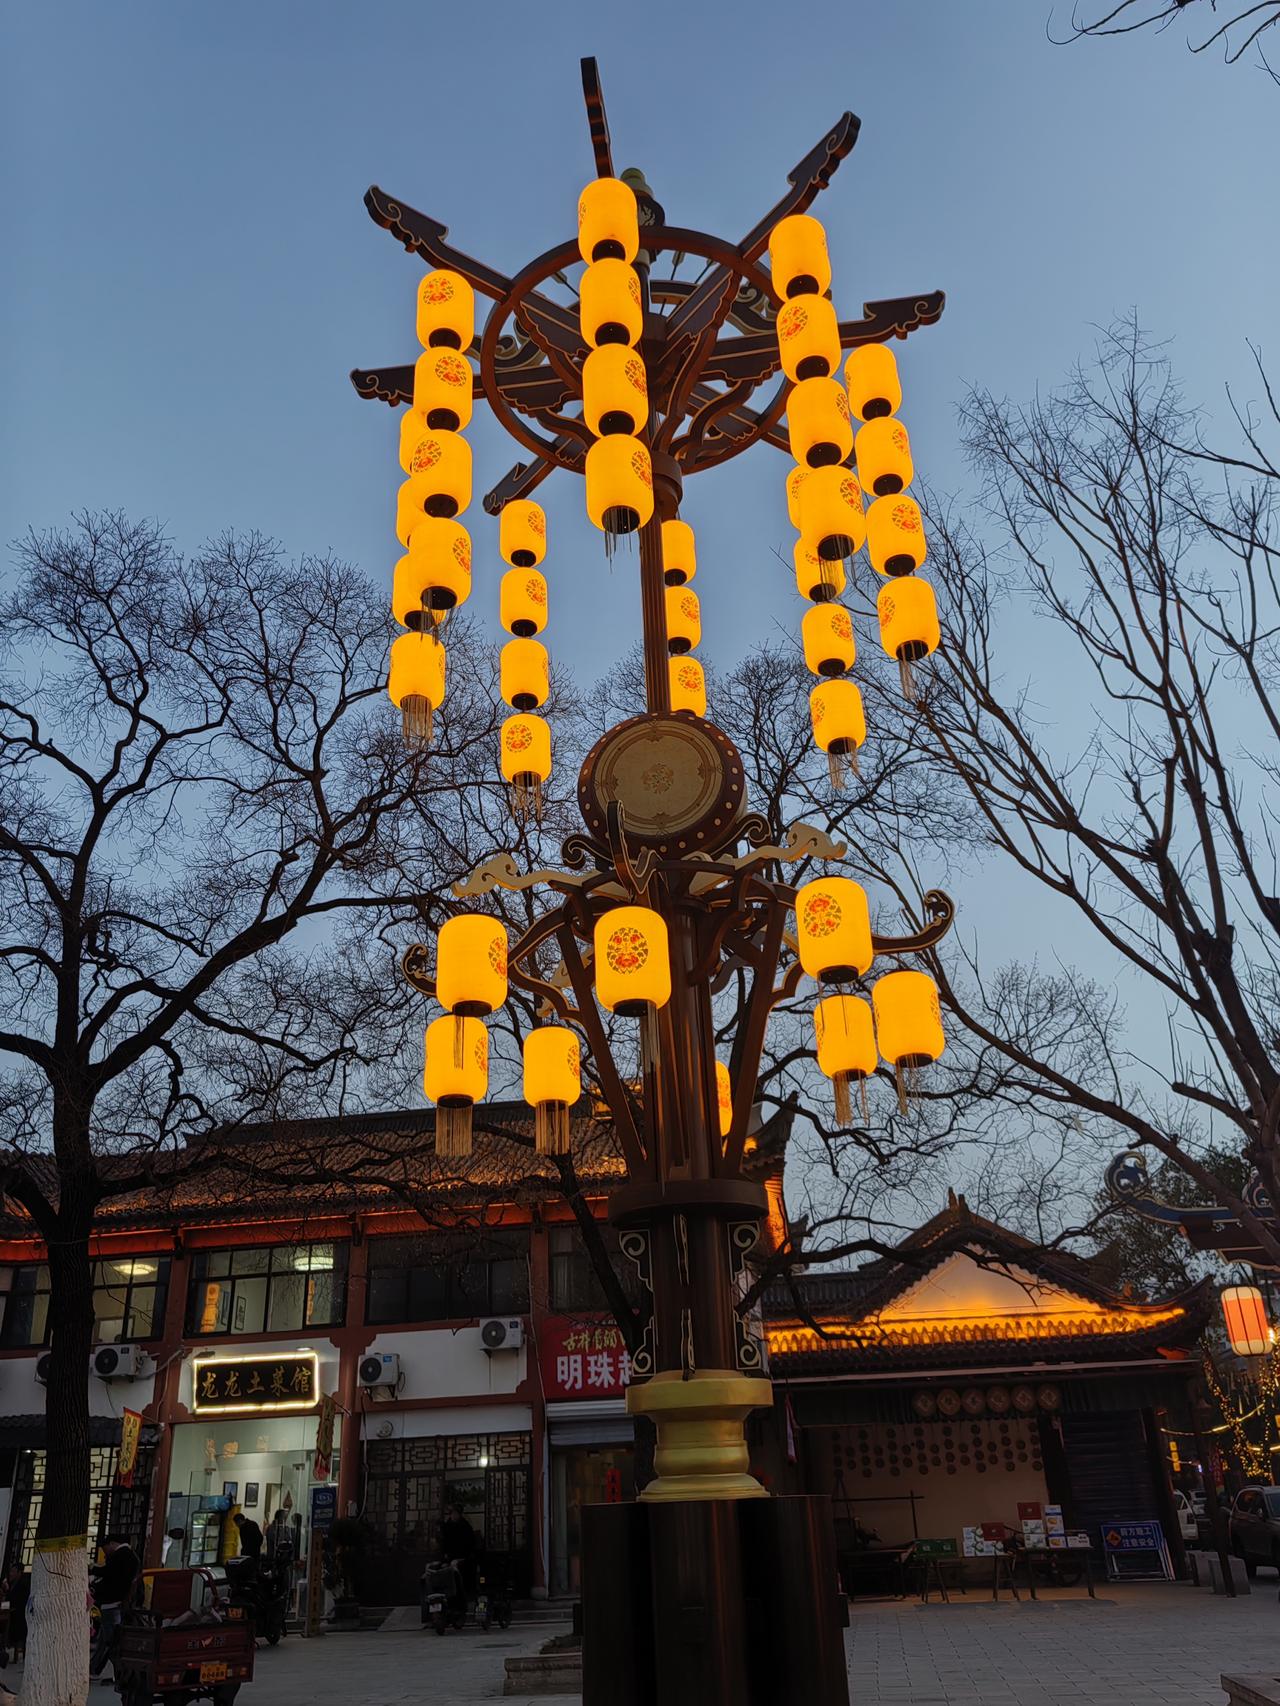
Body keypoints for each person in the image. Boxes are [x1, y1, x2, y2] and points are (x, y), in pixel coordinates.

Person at [88, 1534, 140, 1681]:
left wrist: (93, 1570)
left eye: (105, 1549)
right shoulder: (131, 1557)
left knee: (111, 1642)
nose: (105, 1553)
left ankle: (122, 1672)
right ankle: (94, 1669)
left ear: (112, 1544)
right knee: (105, 1640)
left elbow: (109, 1575)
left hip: (112, 1603)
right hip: (117, 1603)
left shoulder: (121, 1556)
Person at [440, 1505, 477, 1597]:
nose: (454, 1516)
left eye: (456, 1514)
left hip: (463, 1556)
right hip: (449, 1556)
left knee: (457, 1568)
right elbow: (444, 1542)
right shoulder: (447, 1526)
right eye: (452, 1514)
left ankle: (461, 1592)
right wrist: (446, 1554)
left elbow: (469, 1543)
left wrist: (461, 1557)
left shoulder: (465, 1526)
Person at [4, 1565, 28, 1664]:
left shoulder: (23, 1584)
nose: (11, 1574)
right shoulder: (11, 1584)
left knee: (19, 1634)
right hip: (12, 1613)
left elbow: (20, 1600)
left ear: (19, 1573)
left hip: (19, 1614)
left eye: (13, 1571)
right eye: (11, 1571)